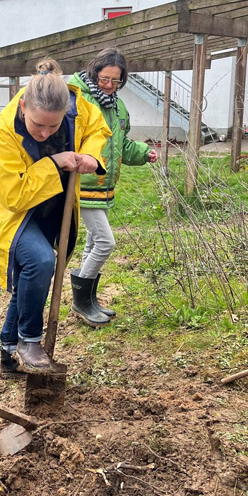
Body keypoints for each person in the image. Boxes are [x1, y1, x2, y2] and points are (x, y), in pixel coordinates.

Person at [0, 58, 109, 373]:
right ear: (22, 106)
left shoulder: (78, 111)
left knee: (29, 279)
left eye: (54, 125)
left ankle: (9, 350)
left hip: (49, 205)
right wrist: (56, 161)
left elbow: (97, 129)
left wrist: (89, 154)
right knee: (41, 261)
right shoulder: (1, 134)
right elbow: (14, 196)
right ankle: (29, 339)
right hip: (5, 208)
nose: (46, 133)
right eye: (37, 125)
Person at [69, 48, 158, 326]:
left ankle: (89, 300)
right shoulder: (77, 100)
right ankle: (80, 301)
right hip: (83, 185)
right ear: (94, 72)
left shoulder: (118, 107)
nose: (109, 85)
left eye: (115, 81)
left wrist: (143, 153)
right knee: (106, 242)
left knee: (94, 242)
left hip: (105, 187)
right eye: (105, 79)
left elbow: (122, 146)